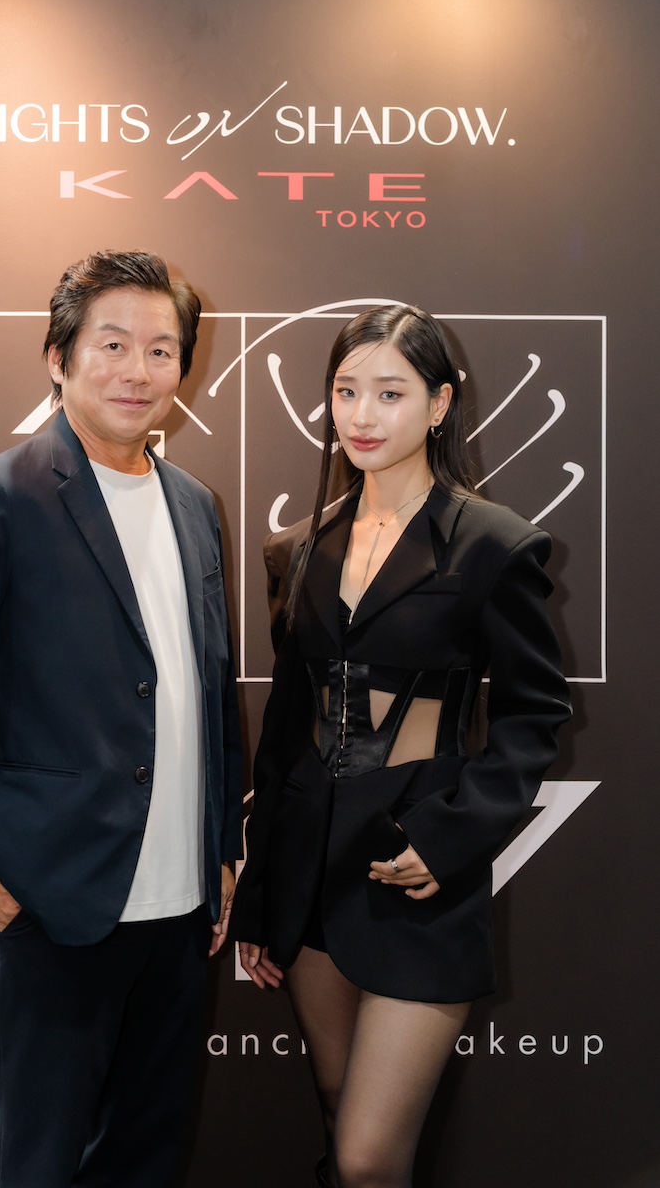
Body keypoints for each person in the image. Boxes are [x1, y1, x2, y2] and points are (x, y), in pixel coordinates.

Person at [0, 250, 243, 1188]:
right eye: (111, 344)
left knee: (144, 1160)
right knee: (36, 1165)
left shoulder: (195, 505)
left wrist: (222, 848)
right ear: (58, 356)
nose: (138, 370)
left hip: (178, 912)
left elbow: (210, 687)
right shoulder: (1, 495)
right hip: (49, 902)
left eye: (160, 349)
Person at [231, 304, 571, 1188]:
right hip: (311, 875)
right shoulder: (297, 549)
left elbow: (533, 714)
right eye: (346, 391)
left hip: (415, 871)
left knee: (367, 1156)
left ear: (438, 404)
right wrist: (261, 899)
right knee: (335, 1114)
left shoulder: (493, 544)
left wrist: (450, 837)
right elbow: (283, 738)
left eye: (390, 393)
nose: (361, 415)